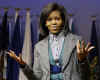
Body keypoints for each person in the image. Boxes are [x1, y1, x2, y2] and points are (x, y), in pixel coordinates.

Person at [8, 3, 94, 80]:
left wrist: (82, 60)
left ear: (63, 21)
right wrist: (23, 66)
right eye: (49, 19)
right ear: (45, 23)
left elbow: (86, 76)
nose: (54, 23)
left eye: (57, 19)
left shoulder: (76, 41)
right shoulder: (39, 46)